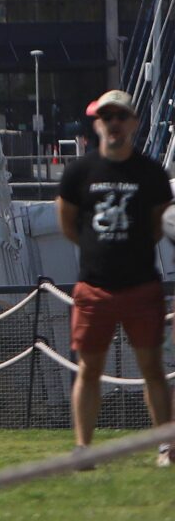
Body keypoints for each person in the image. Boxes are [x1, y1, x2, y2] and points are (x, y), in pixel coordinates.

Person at [55, 90, 175, 461]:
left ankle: (166, 447)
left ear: (134, 123)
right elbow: (68, 224)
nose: (115, 124)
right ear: (98, 124)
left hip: (142, 287)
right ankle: (83, 449)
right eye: (107, 117)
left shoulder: (151, 173)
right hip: (94, 288)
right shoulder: (78, 173)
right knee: (88, 370)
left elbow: (158, 225)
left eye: (121, 117)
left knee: (152, 369)